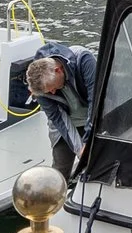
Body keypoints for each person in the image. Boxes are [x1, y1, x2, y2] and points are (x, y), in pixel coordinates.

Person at [9, 43, 97, 179]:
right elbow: (58, 118)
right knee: (60, 170)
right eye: (48, 91)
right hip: (65, 123)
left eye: (52, 88)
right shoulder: (39, 88)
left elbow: (95, 101)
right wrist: (81, 150)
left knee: (97, 161)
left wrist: (87, 141)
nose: (53, 92)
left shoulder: (83, 60)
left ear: (58, 70)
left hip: (93, 117)